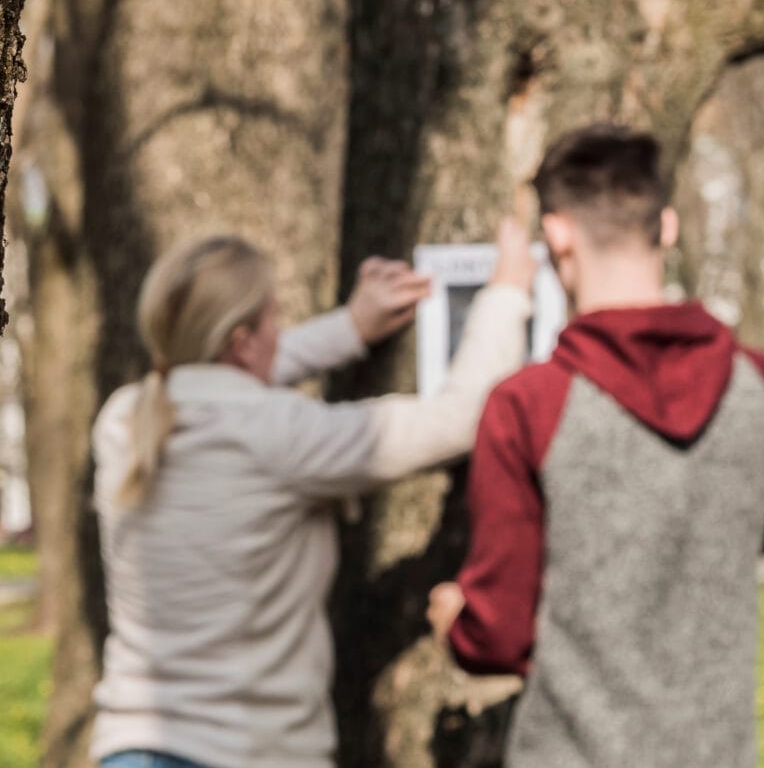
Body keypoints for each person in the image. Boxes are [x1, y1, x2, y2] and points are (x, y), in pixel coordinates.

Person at [427, 124, 764, 768]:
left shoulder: (530, 406)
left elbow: (497, 638)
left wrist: (456, 623)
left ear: (556, 236)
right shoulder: (761, 387)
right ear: (666, 227)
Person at [90, 226, 538, 768]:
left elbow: (224, 374)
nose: (282, 332)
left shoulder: (122, 420)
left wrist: (350, 329)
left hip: (131, 747)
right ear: (241, 338)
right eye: (274, 317)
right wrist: (508, 291)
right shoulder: (282, 433)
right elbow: (461, 419)